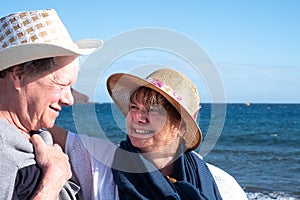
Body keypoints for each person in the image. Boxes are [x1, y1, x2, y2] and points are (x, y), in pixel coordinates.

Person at [50, 68, 248, 199]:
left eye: (153, 110)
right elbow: (39, 126)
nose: (137, 117)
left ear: (181, 126)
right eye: (134, 106)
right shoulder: (101, 161)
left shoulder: (222, 185)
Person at [0, 8, 102, 199]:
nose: (69, 100)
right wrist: (53, 180)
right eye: (60, 85)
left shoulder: (32, 132)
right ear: (18, 75)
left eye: (70, 88)